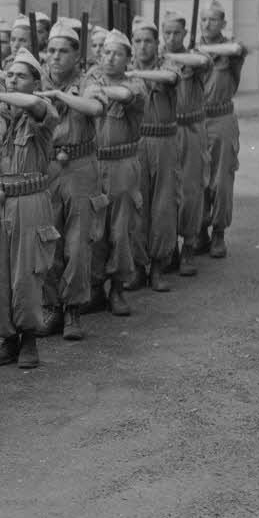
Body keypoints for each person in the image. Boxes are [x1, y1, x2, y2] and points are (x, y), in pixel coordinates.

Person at [0, 49, 60, 370]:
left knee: (26, 273)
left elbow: (39, 107)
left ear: (36, 82)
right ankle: (6, 338)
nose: (13, 79)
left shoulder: (43, 113)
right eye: (10, 74)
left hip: (29, 201)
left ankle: (29, 338)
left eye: (22, 76)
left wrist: (3, 93)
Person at [38, 20, 106, 340]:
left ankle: (74, 309)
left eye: (63, 51)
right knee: (49, 239)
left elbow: (94, 106)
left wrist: (59, 96)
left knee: (78, 243)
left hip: (80, 165)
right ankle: (52, 306)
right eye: (51, 50)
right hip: (48, 166)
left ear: (77, 55)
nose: (55, 57)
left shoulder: (89, 77)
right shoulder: (36, 77)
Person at [84, 28, 147, 316]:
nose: (110, 58)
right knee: (94, 230)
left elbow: (125, 95)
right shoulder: (90, 79)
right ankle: (96, 288)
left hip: (123, 165)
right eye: (106, 52)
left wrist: (102, 91)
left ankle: (119, 289)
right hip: (94, 164)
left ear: (127, 59)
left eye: (117, 54)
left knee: (121, 229)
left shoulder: (135, 83)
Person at [128, 17, 181, 293]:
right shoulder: (125, 69)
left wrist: (137, 76)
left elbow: (171, 78)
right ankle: (138, 267)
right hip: (136, 142)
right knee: (138, 206)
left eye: (148, 40)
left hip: (163, 141)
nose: (142, 46)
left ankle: (159, 267)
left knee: (163, 206)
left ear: (156, 44)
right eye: (137, 41)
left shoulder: (166, 66)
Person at [161, 12, 211, 275]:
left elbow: (203, 61)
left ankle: (189, 246)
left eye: (176, 33)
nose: (171, 38)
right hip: (166, 133)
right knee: (167, 193)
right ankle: (170, 249)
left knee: (191, 190)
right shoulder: (158, 60)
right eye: (167, 33)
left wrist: (173, 58)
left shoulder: (194, 58)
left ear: (185, 33)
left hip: (191, 129)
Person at [196, 1, 247, 259]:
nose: (207, 24)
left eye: (213, 20)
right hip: (195, 122)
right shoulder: (192, 52)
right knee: (197, 179)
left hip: (222, 119)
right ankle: (200, 232)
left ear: (223, 24)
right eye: (203, 19)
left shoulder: (230, 50)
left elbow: (240, 48)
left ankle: (218, 233)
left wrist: (205, 50)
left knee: (221, 180)